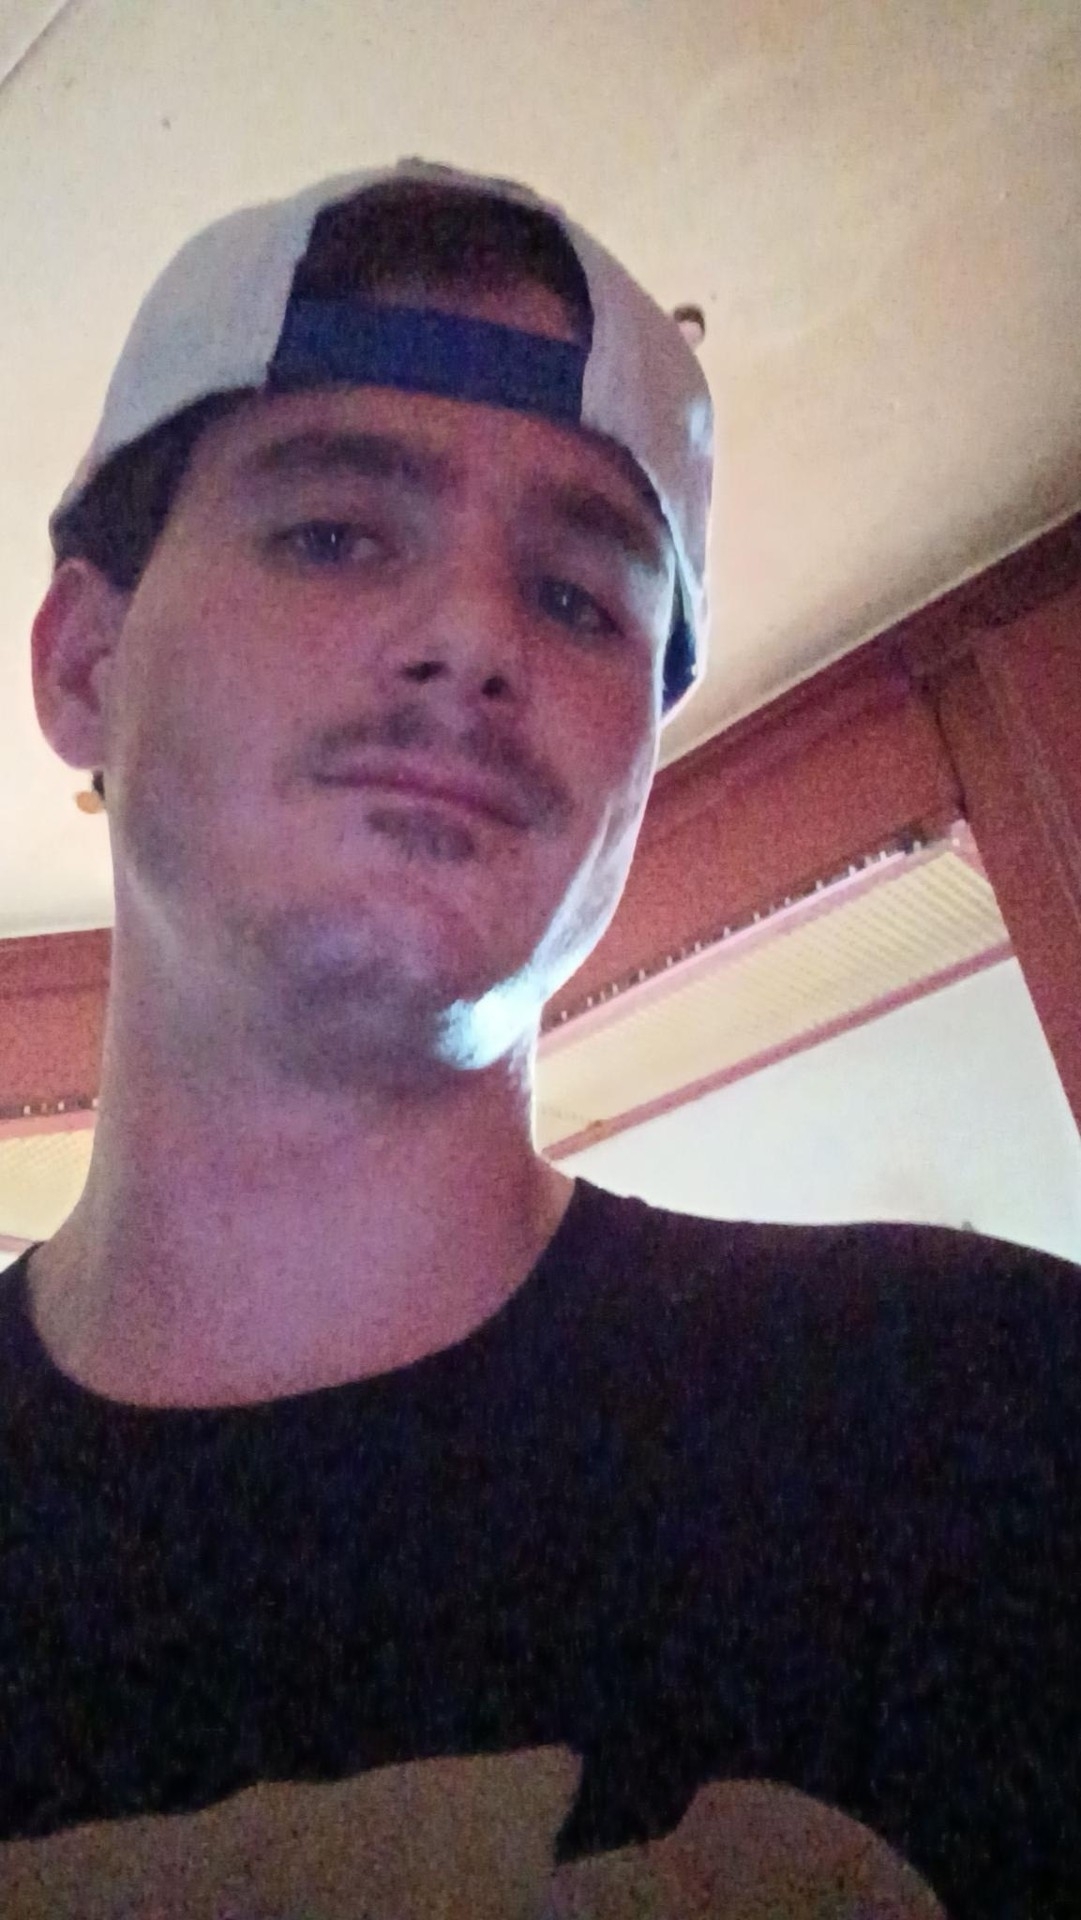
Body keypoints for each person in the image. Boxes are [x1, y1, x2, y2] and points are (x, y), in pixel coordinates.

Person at [1, 157, 1078, 1920]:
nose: (472, 639)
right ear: (80, 665)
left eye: (580, 598)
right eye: (335, 532)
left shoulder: (995, 1420)